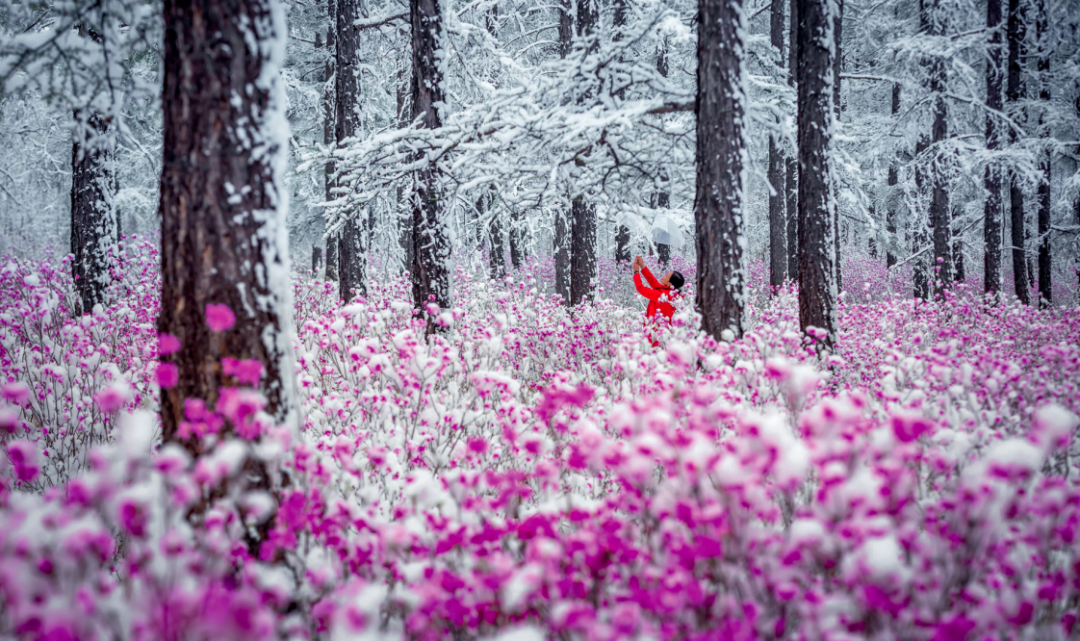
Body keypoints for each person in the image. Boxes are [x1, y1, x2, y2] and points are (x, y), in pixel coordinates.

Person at [632, 255, 684, 345]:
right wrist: (642, 266)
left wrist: (636, 271)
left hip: (655, 336)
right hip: (664, 335)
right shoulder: (672, 294)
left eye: (667, 275)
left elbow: (640, 288)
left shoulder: (662, 296)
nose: (664, 275)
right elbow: (654, 283)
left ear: (669, 283)